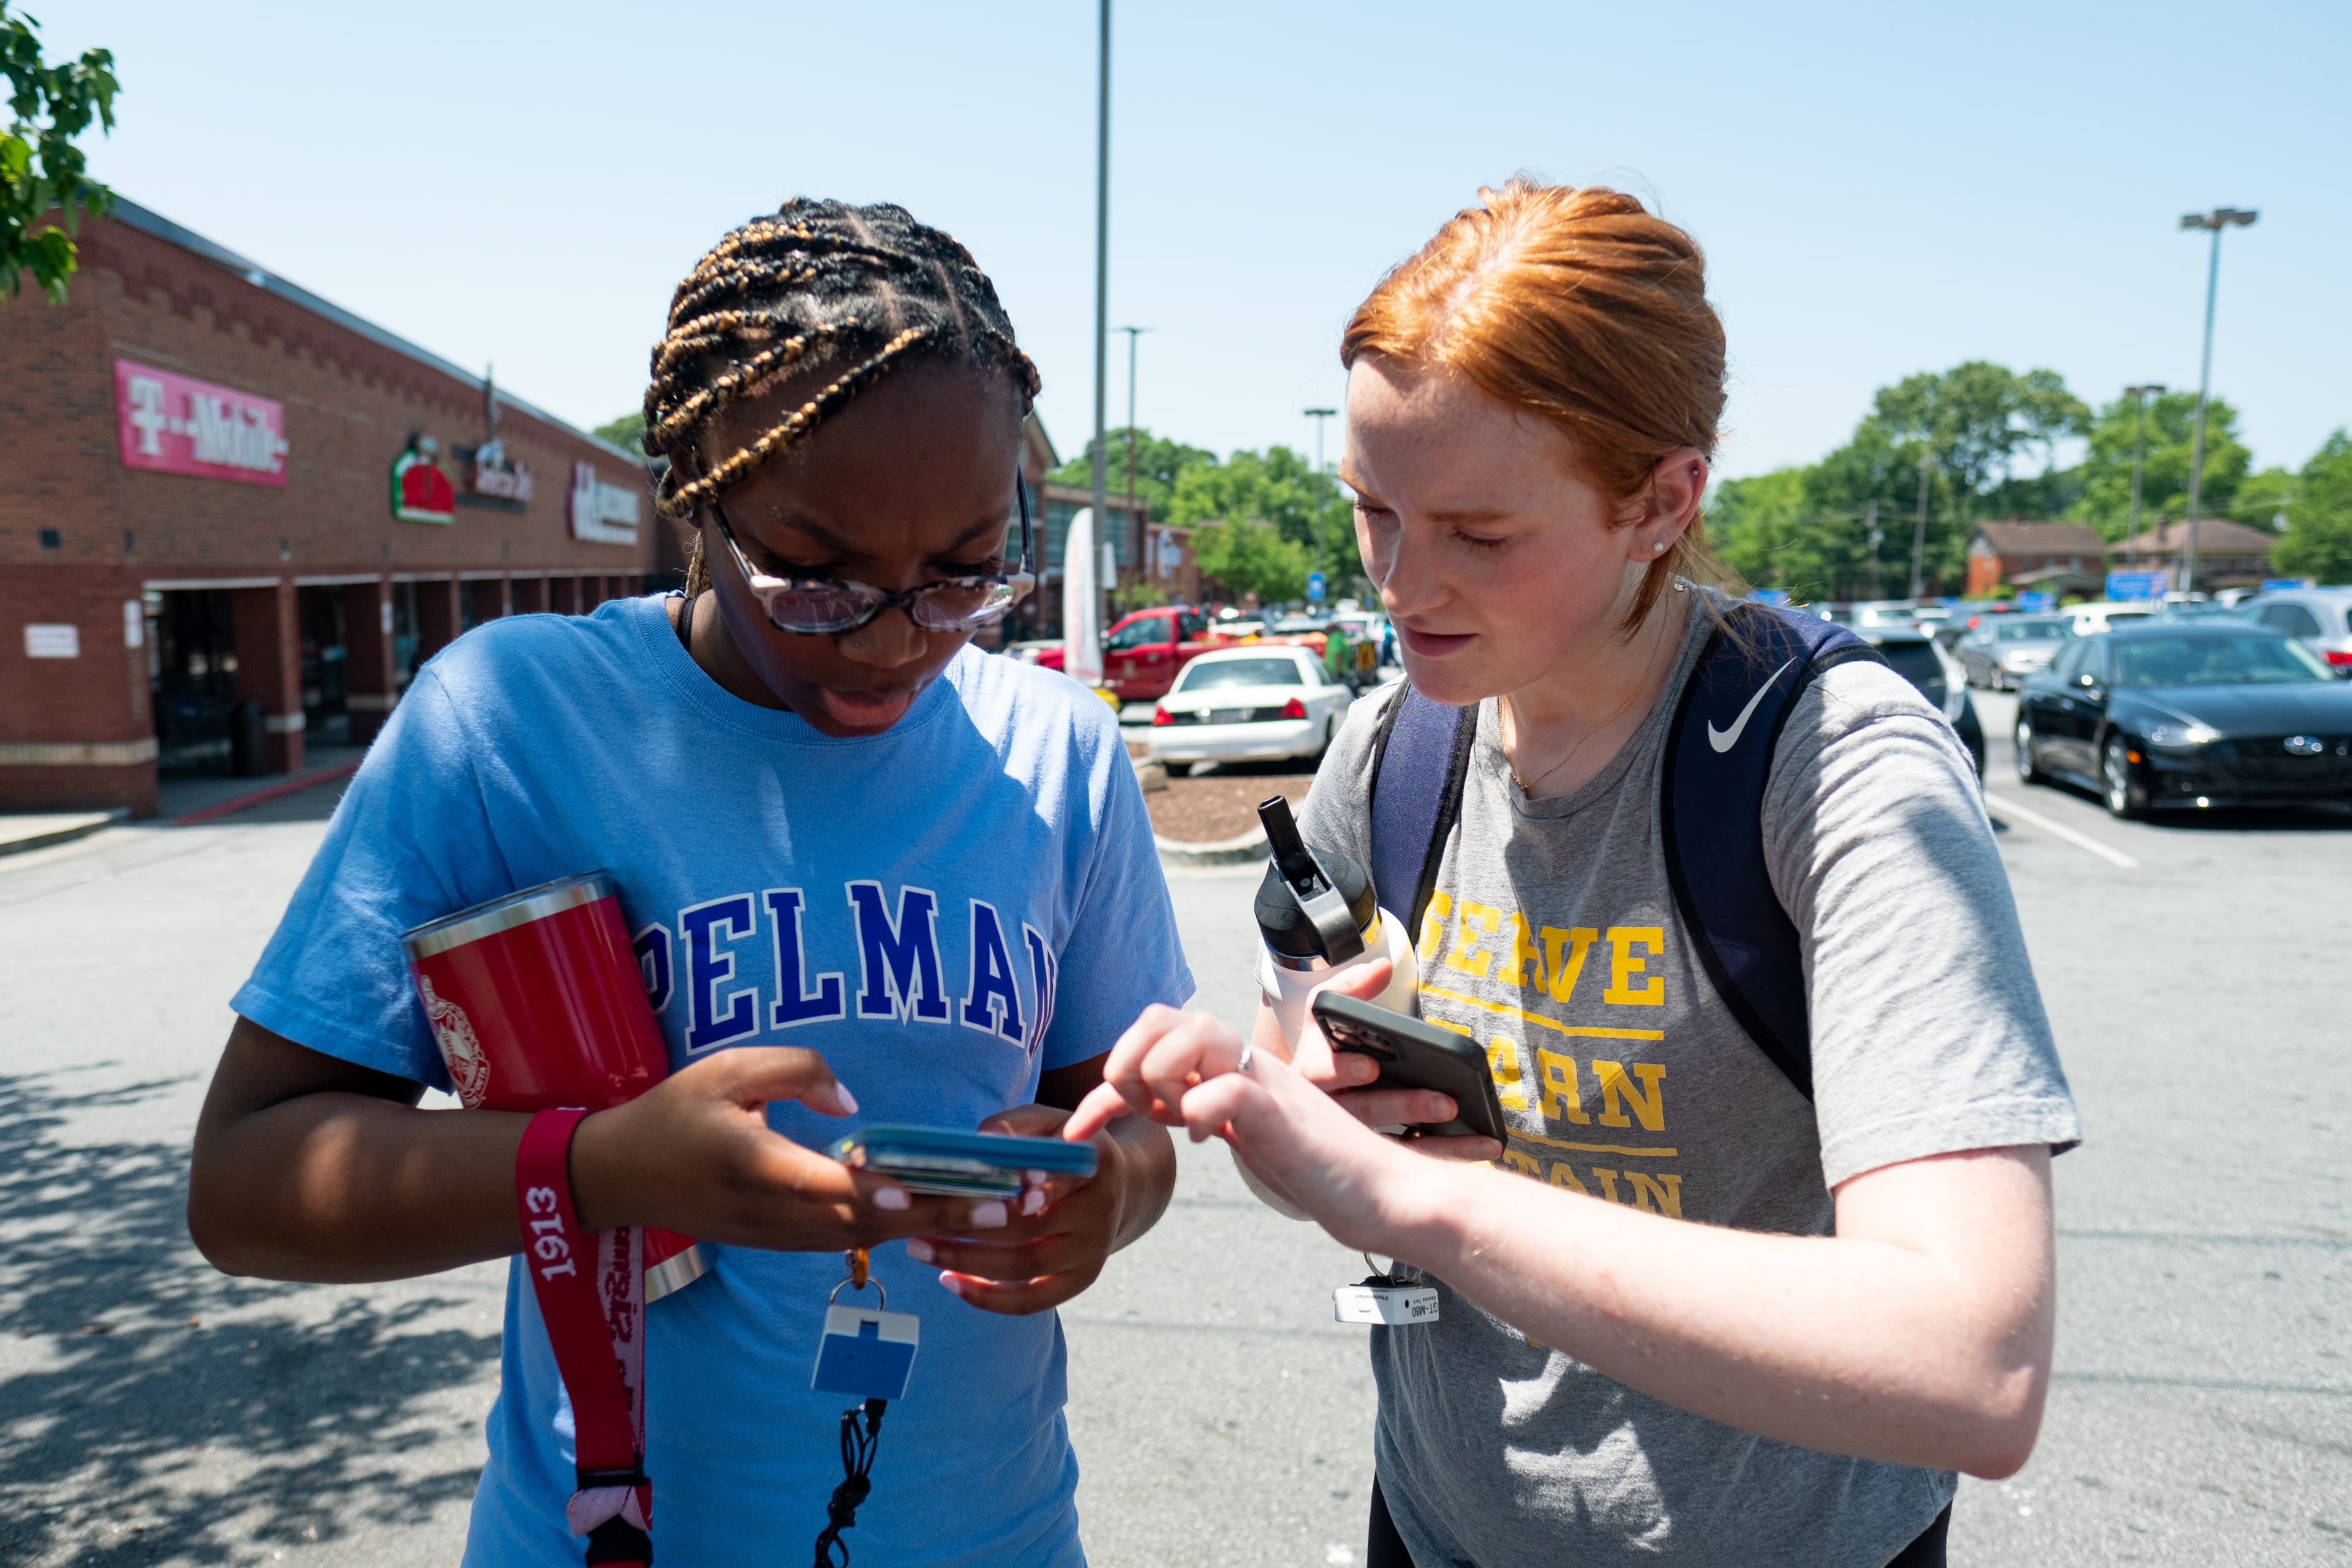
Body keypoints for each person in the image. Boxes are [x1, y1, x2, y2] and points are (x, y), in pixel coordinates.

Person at [1068, 181, 2080, 1567]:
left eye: (1480, 534)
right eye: (1373, 508)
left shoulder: (1831, 767)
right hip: (1434, 1528)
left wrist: (1420, 1200)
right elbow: (1323, 1166)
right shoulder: (1396, 747)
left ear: (1663, 500)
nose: (1403, 583)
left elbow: (1973, 1363)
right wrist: (1280, 1107)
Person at [188, 198, 1188, 1566]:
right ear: (697, 495)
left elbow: (1122, 1127)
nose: (897, 639)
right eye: (817, 577)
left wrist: (1106, 1197)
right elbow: (246, 1180)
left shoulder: (1054, 752)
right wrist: (600, 1168)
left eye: (962, 576)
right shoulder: (510, 722)